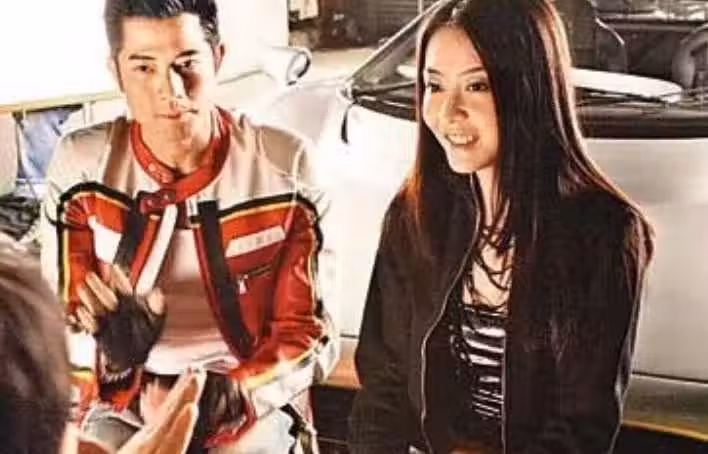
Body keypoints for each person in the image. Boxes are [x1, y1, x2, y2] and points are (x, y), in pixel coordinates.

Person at [347, 1, 654, 453]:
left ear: (529, 88)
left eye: (477, 85)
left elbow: (580, 428)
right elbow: (382, 389)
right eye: (434, 85)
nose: (448, 112)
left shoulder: (605, 233)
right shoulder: (414, 214)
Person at [39, 0, 337, 452]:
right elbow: (61, 322)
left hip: (248, 395)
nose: (171, 89)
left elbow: (311, 330)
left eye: (187, 63)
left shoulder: (285, 167)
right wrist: (114, 359)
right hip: (119, 402)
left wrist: (236, 392)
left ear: (217, 59)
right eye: (144, 68)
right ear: (116, 72)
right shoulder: (82, 168)